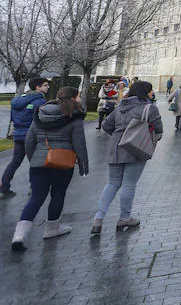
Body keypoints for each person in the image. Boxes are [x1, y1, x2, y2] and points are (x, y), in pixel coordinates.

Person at [11, 86, 88, 250]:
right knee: (58, 194)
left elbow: (29, 141)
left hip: (38, 162)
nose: (80, 99)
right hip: (63, 162)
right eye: (79, 96)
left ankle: (20, 235)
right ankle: (52, 228)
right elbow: (79, 144)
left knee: (36, 197)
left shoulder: (40, 113)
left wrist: (34, 159)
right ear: (73, 98)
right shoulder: (74, 117)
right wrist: (83, 164)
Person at [90, 81, 163, 237]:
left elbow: (106, 126)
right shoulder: (149, 108)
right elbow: (159, 129)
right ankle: (124, 217)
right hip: (136, 148)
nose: (152, 93)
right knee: (129, 184)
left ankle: (98, 218)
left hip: (116, 148)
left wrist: (119, 136)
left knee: (112, 183)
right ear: (146, 92)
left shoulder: (120, 107)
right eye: (150, 91)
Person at [1, 77, 50, 199]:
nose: (48, 87)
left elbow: (13, 118)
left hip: (18, 134)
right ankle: (35, 188)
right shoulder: (40, 101)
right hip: (32, 135)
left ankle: (4, 187)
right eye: (45, 85)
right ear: (37, 87)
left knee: (15, 161)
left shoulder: (18, 100)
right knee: (35, 161)